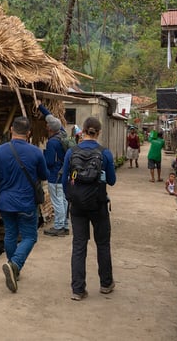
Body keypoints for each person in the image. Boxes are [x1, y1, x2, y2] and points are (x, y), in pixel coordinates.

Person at [0, 116, 48, 293]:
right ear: (29, 133)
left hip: (6, 203)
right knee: (30, 237)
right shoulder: (36, 152)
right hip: (27, 203)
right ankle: (15, 264)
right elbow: (45, 175)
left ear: (11, 130)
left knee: (10, 233)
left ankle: (13, 268)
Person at [62, 117, 116, 301]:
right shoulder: (105, 153)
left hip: (77, 206)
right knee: (102, 244)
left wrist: (72, 197)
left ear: (83, 131)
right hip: (98, 204)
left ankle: (78, 290)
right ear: (98, 132)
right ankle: (106, 284)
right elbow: (112, 180)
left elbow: (64, 181)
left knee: (79, 246)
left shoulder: (71, 152)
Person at [37, 102, 69, 237]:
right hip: (64, 174)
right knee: (63, 200)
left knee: (57, 202)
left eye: (47, 125)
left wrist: (41, 158)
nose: (46, 125)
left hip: (55, 176)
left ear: (50, 128)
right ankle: (65, 225)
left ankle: (59, 227)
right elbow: (51, 117)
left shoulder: (52, 143)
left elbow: (49, 162)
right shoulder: (63, 133)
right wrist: (40, 107)